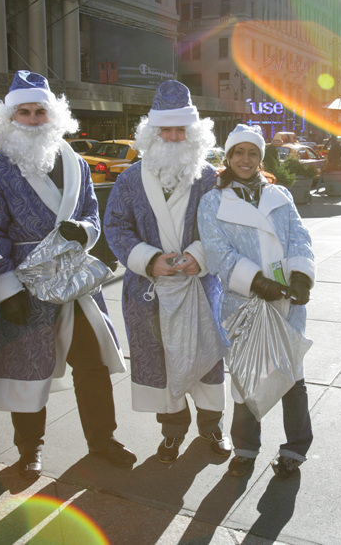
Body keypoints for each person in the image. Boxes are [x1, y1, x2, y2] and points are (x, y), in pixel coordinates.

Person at [0, 71, 135, 475]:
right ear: (9, 119)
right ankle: (29, 449)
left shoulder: (76, 161)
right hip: (24, 281)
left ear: (55, 116)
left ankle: (103, 440)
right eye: (24, 113)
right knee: (27, 367)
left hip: (75, 276)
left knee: (93, 366)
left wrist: (83, 232)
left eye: (40, 112)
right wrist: (5, 286)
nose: (33, 120)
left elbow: (91, 214)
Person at [103, 80, 231, 464]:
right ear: (152, 133)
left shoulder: (211, 178)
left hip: (200, 286)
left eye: (182, 131)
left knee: (207, 359)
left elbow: (223, 227)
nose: (174, 138)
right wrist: (148, 259)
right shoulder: (128, 180)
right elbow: (115, 227)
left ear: (194, 135)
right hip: (149, 291)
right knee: (159, 361)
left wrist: (199, 254)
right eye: (167, 130)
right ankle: (172, 432)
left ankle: (211, 427)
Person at [197, 124, 315, 479]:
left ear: (261, 158)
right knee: (246, 377)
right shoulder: (213, 201)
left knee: (293, 377)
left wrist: (301, 276)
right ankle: (246, 449)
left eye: (252, 153)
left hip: (287, 303)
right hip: (243, 303)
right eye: (238, 153)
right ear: (228, 157)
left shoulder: (281, 196)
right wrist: (257, 282)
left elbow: (300, 238)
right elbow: (217, 252)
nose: (245, 160)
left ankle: (295, 448)